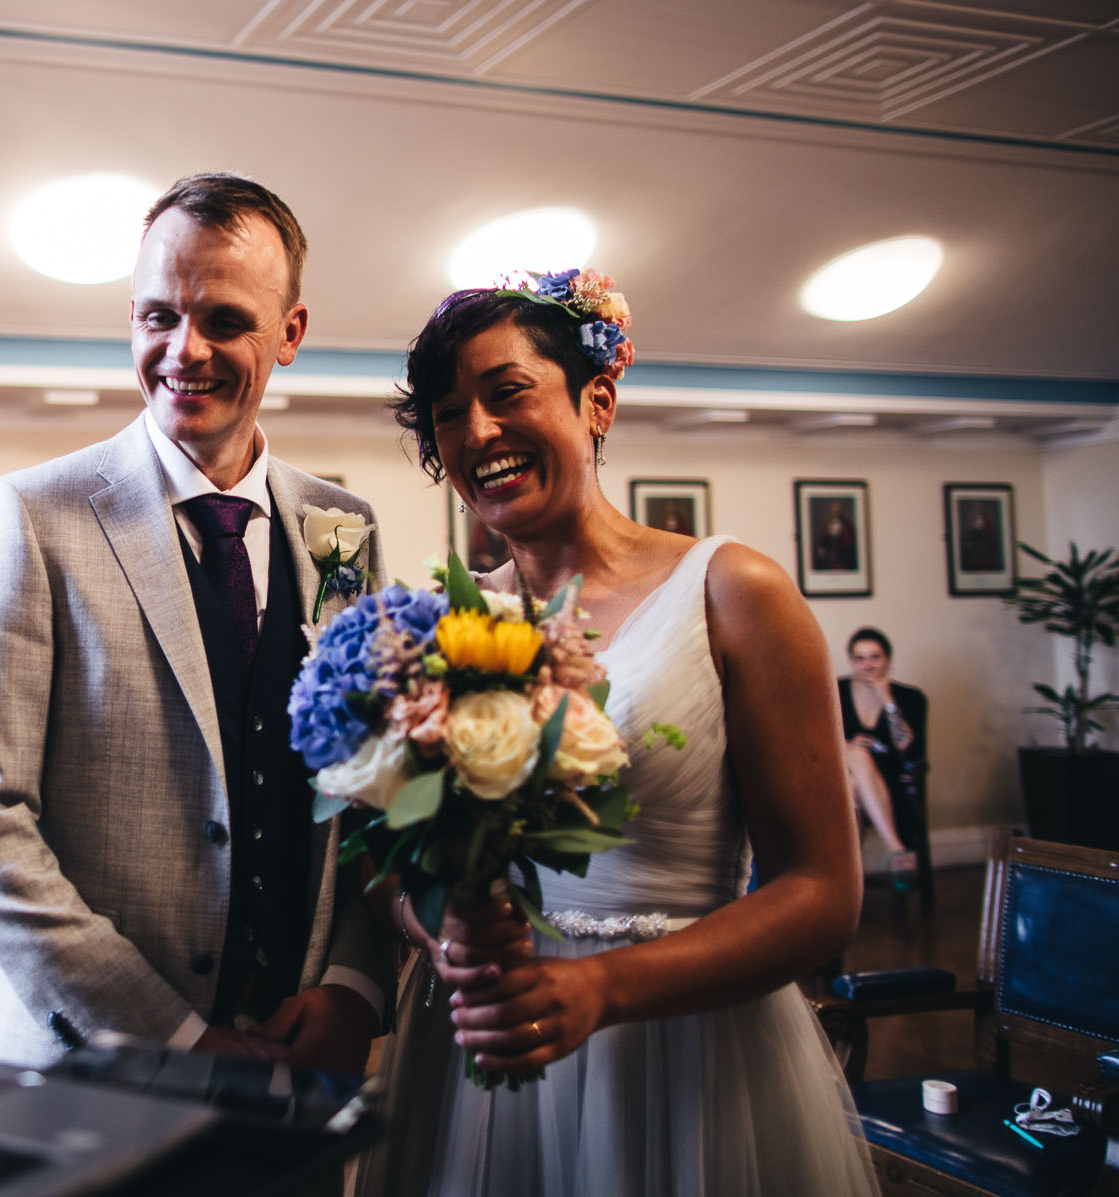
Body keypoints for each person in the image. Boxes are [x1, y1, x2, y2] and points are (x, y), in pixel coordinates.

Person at [362, 274, 877, 1196]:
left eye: (507, 392)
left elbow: (822, 894)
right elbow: (396, 865)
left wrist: (600, 989)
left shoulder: (735, 594)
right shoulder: (440, 624)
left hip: (683, 1055)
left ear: (596, 398)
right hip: (479, 1054)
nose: (478, 431)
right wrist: (433, 924)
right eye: (448, 414)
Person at [0, 174, 394, 1071]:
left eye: (224, 320)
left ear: (290, 332)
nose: (185, 350)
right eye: (158, 316)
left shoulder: (346, 527)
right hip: (93, 1071)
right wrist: (174, 1035)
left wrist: (352, 985)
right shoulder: (31, 515)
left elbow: (374, 791)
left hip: (300, 1060)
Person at [838, 626, 928, 888]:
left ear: (887, 659)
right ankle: (896, 850)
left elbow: (908, 748)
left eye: (874, 657)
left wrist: (887, 701)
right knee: (855, 758)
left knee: (852, 786)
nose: (867, 665)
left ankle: (848, 881)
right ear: (851, 662)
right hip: (837, 775)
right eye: (859, 658)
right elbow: (813, 739)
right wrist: (846, 744)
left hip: (890, 782)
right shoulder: (833, 691)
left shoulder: (910, 697)